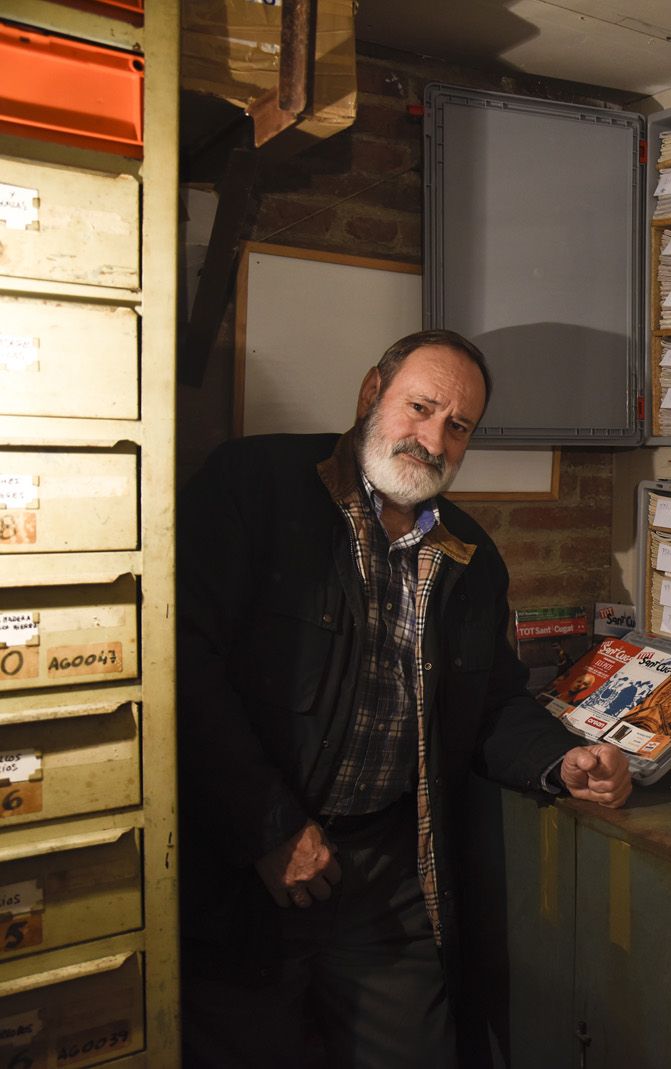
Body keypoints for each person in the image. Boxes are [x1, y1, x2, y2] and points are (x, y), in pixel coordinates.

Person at [176, 330, 632, 1068]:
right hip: (247, 869)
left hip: (384, 874)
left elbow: (489, 704)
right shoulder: (253, 485)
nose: (433, 438)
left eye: (459, 426)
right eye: (420, 408)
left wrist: (564, 760)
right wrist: (268, 828)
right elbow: (182, 665)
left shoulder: (470, 555)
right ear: (371, 393)